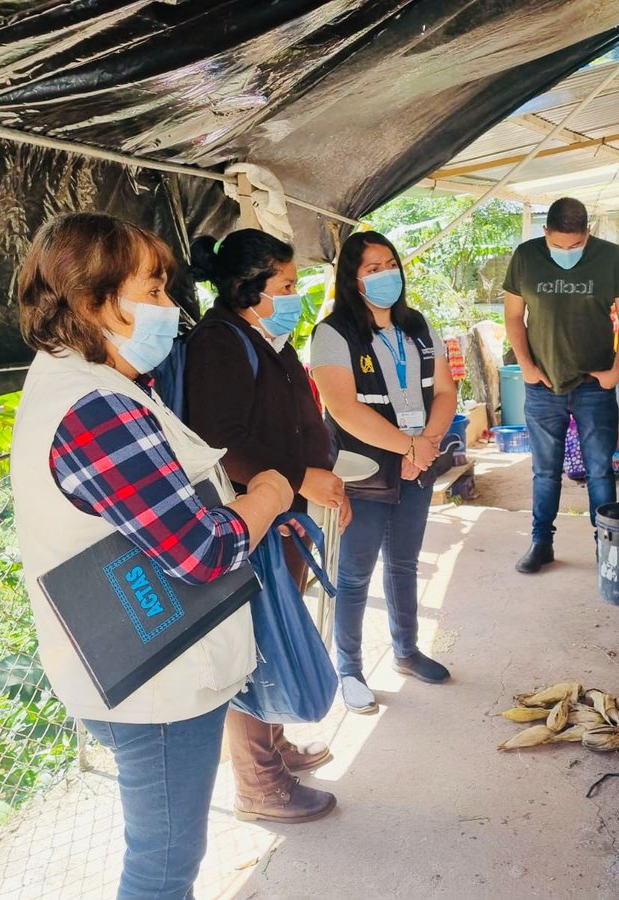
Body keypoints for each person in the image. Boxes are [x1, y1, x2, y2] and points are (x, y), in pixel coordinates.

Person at [10, 213, 295, 898]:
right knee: (163, 867)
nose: (172, 309)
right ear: (90, 301)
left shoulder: (85, 382)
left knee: (166, 856)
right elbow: (200, 550)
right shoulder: (94, 406)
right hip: (155, 687)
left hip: (148, 671)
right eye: (155, 291)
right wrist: (269, 496)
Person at [183, 228, 344, 824]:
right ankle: (260, 785)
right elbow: (222, 440)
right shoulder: (218, 344)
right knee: (254, 646)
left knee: (274, 631)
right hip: (252, 519)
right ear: (248, 288)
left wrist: (310, 481)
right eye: (287, 285)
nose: (295, 294)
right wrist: (301, 480)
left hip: (280, 514)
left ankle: (273, 749)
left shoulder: (264, 335)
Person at [309, 231, 457, 714]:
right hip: (364, 471)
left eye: (389, 263)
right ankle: (348, 669)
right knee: (354, 574)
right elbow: (343, 408)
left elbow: (445, 393)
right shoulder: (333, 332)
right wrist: (409, 447)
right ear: (352, 277)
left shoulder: (417, 325)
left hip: (417, 464)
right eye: (371, 268)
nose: (384, 273)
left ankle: (406, 651)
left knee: (404, 563)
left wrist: (425, 445)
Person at [502, 196, 619, 574]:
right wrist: (527, 366)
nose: (567, 252)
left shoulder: (611, 258)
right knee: (545, 471)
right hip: (543, 385)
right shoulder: (526, 256)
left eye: (576, 245)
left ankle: (606, 547)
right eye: (559, 245)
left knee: (600, 470)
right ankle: (541, 542)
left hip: (594, 385)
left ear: (588, 234)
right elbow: (514, 316)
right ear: (544, 232)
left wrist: (617, 370)